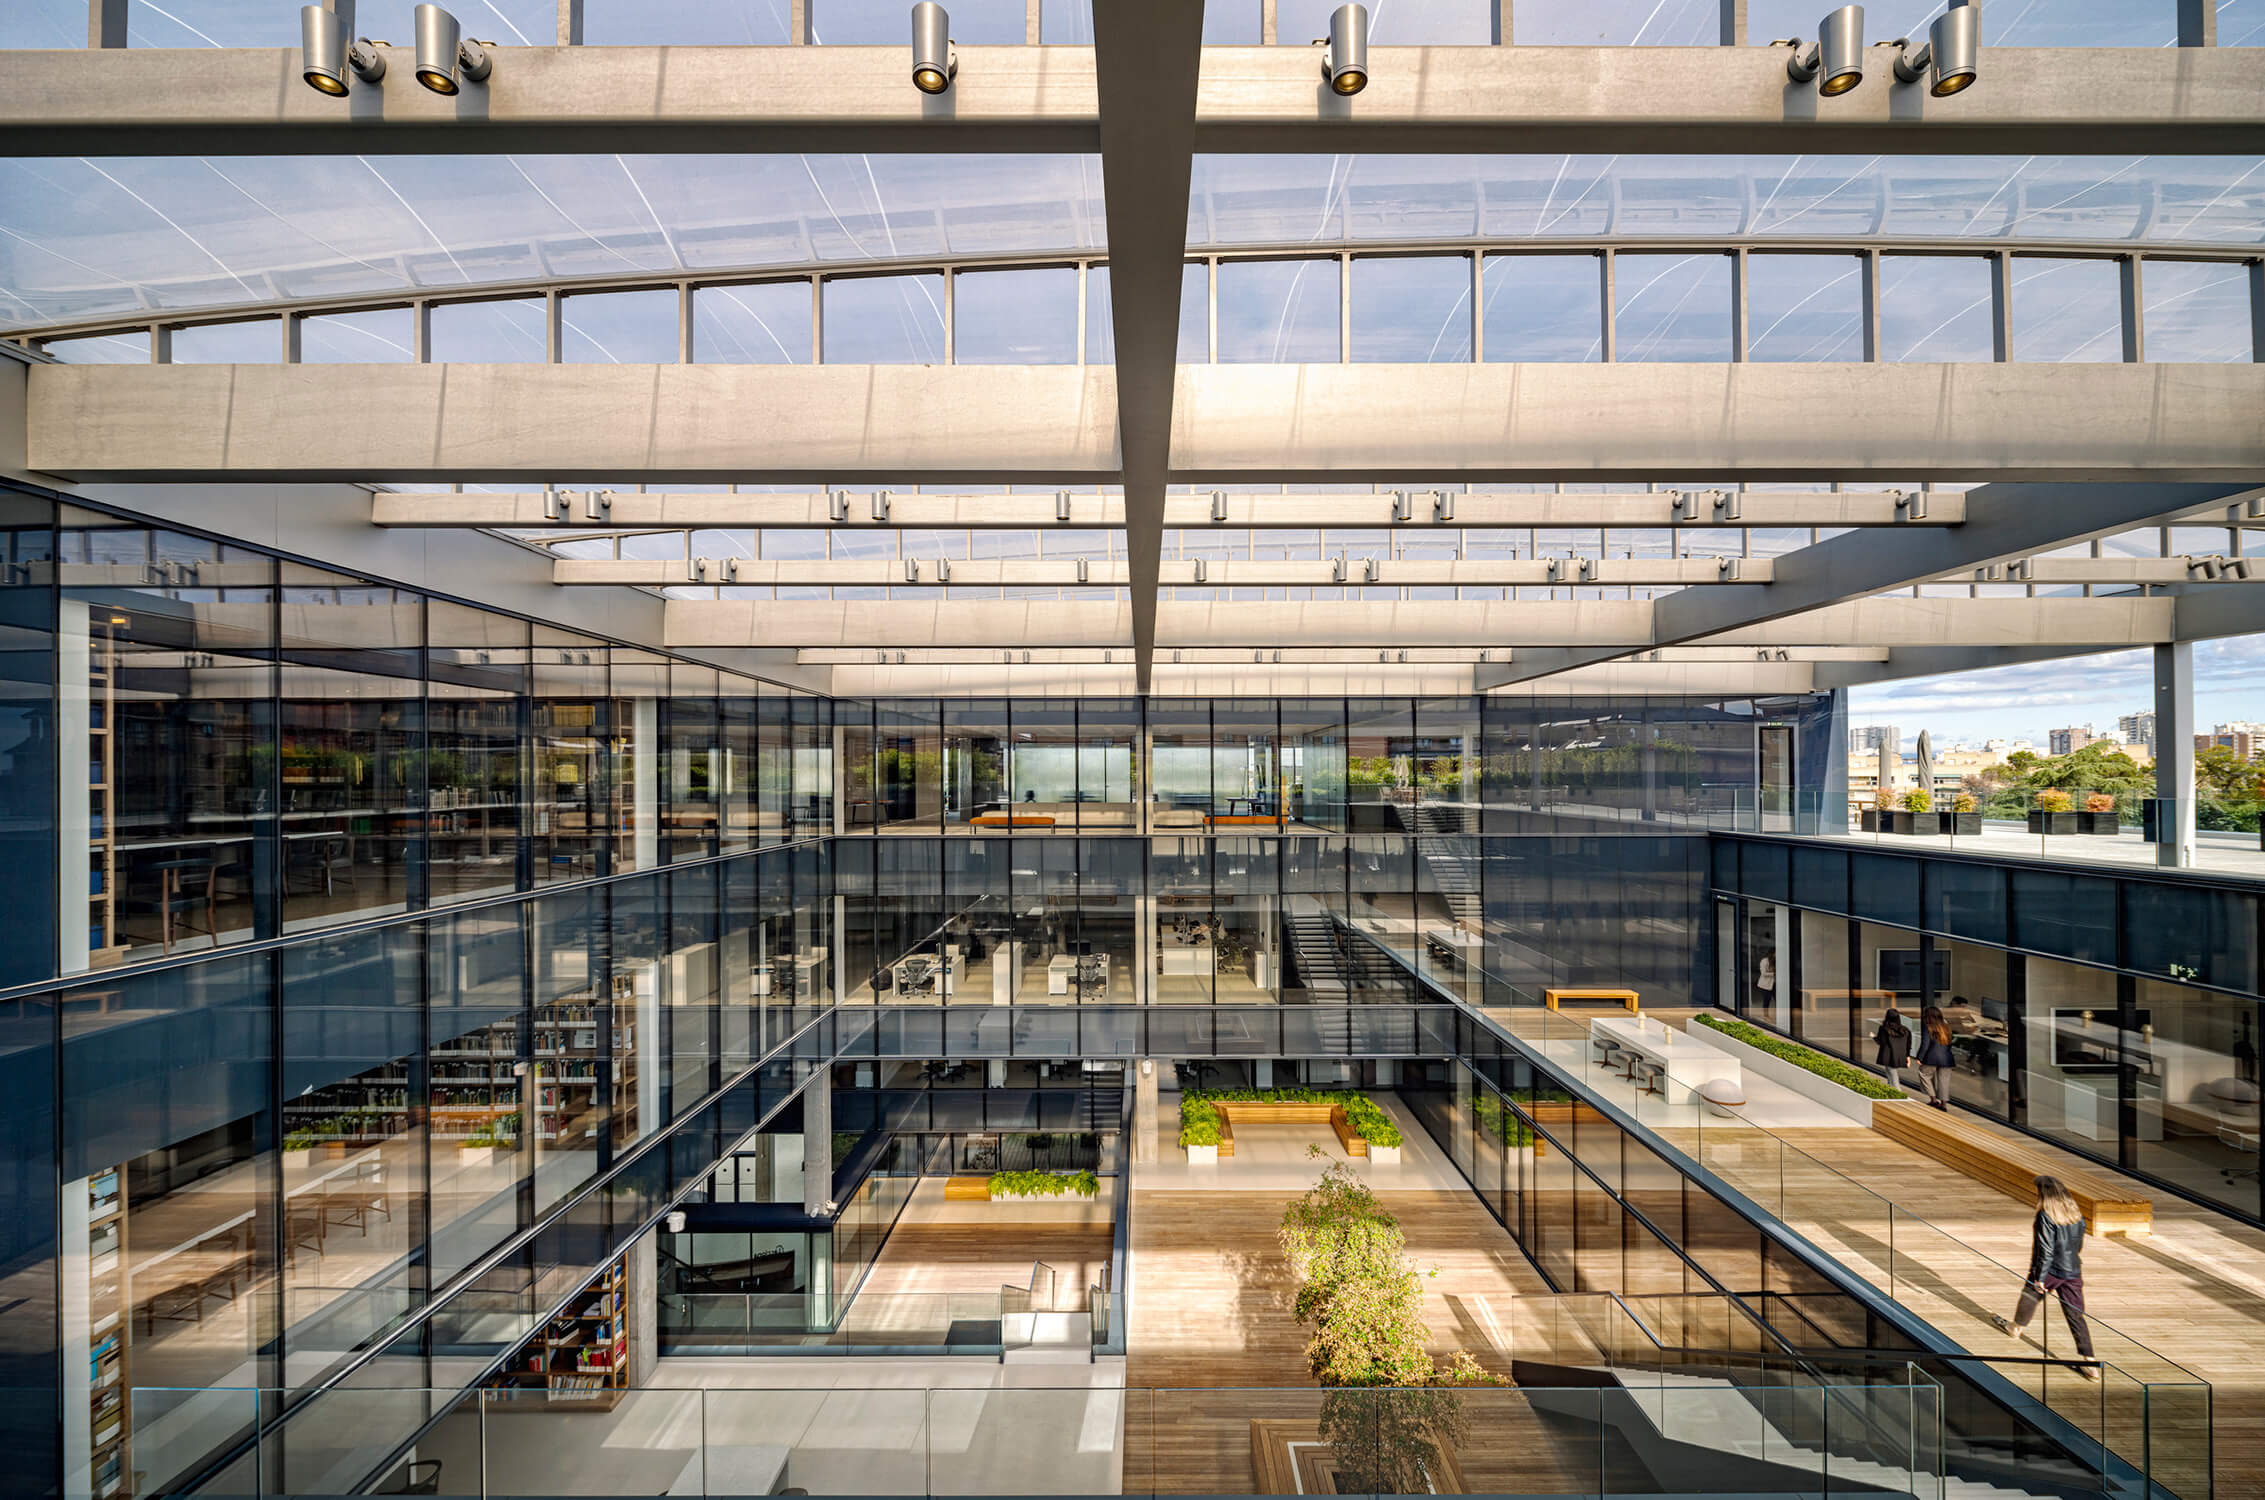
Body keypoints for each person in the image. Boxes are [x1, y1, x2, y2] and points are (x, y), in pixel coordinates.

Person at [1990, 1176, 2100, 1382]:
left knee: (2030, 1296)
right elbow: (2078, 1245)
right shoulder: (2076, 1214)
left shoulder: (2046, 1215)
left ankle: (2015, 1328)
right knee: (2076, 1315)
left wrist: (2039, 1277)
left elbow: (2046, 1249)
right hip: (2073, 1271)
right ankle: (2091, 1363)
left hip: (2050, 1270)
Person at [1873, 1006, 1929, 1100]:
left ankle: (1898, 1094)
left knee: (1892, 1074)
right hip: (1899, 1055)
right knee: (1890, 1073)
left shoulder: (1884, 1029)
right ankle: (1890, 1091)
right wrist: (1907, 1056)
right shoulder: (1905, 1030)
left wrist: (1873, 1036)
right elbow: (1908, 1044)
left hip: (1888, 1055)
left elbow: (1880, 1041)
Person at [1916, 1003, 1957, 1111]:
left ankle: (1933, 1099)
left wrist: (1919, 1057)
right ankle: (1944, 1105)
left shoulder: (1928, 1026)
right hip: (1946, 1057)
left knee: (1924, 1075)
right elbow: (1950, 1041)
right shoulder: (1946, 1025)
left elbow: (1925, 1043)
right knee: (1944, 1080)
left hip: (1931, 1057)